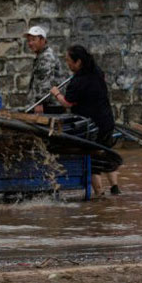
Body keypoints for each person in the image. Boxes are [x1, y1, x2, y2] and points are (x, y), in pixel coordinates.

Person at [50, 45, 121, 197]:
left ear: (78, 62)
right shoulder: (97, 72)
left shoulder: (77, 82)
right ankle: (115, 187)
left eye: (69, 61)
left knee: (93, 160)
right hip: (107, 121)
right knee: (107, 153)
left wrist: (56, 94)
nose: (67, 64)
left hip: (91, 127)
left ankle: (99, 194)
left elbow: (67, 103)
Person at [24, 26, 63, 114]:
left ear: (43, 40)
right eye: (29, 40)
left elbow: (45, 83)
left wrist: (39, 103)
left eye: (34, 40)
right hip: (47, 104)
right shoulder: (42, 55)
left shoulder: (46, 57)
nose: (30, 43)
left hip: (48, 105)